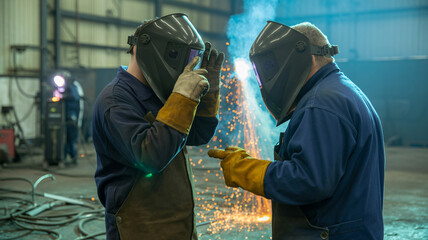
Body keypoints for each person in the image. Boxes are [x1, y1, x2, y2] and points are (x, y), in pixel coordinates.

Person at [209, 22, 385, 239]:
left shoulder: (320, 105)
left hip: (329, 232)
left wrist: (246, 170)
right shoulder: (342, 91)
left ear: (302, 57)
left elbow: (309, 181)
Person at [92, 13, 224, 240]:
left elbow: (198, 135)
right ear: (149, 49)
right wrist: (182, 97)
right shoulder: (115, 101)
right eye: (176, 56)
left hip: (174, 224)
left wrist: (207, 95)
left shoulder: (159, 93)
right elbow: (150, 156)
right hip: (138, 229)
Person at [63, 74, 81, 165]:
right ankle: (66, 156)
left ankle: (72, 157)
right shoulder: (66, 88)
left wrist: (63, 97)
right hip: (65, 118)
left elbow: (74, 97)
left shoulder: (73, 87)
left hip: (71, 118)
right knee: (65, 138)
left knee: (71, 138)